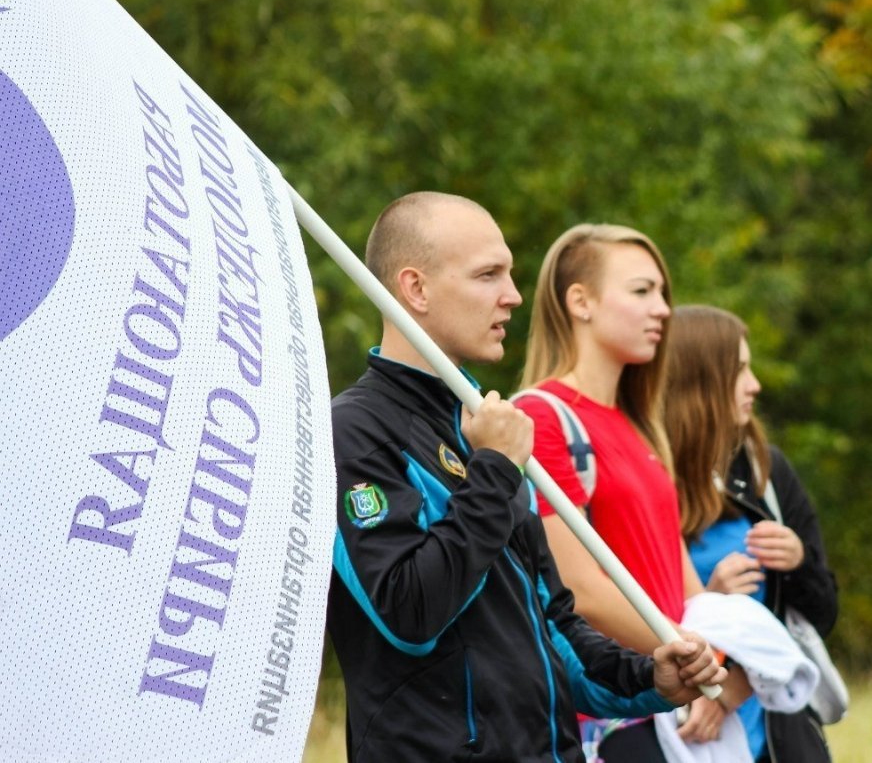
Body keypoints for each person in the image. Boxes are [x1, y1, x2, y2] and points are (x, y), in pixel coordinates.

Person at [326, 193, 725, 763]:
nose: (513, 296)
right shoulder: (354, 430)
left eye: (510, 274)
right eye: (488, 275)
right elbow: (409, 613)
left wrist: (649, 677)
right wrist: (492, 472)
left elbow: (554, 625)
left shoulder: (488, 427)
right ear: (415, 289)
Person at [513, 224, 751, 763]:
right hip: (615, 715)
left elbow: (680, 577)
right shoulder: (542, 416)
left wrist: (717, 658)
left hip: (674, 700)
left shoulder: (641, 426)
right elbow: (579, 588)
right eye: (643, 291)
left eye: (663, 292)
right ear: (581, 302)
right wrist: (697, 663)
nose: (664, 309)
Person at [663, 304, 839, 763]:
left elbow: (822, 614)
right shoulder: (648, 479)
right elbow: (619, 619)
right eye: (739, 369)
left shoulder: (767, 471)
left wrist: (799, 562)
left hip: (782, 738)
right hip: (688, 736)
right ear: (697, 380)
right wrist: (709, 601)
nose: (755, 384)